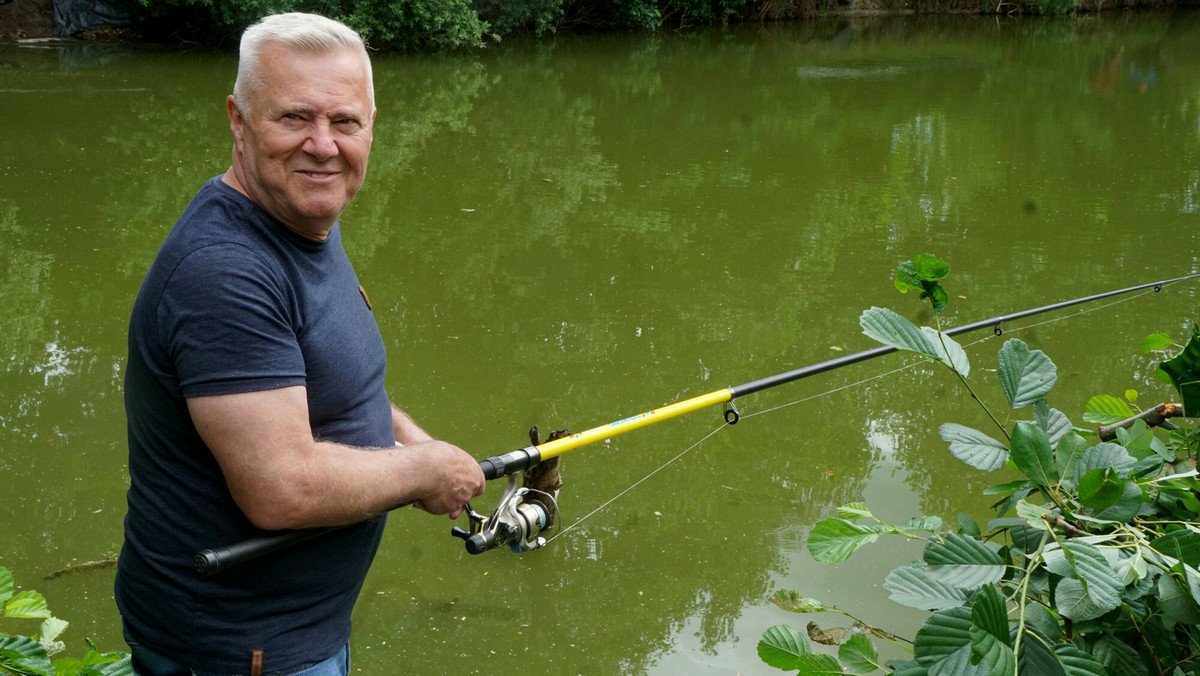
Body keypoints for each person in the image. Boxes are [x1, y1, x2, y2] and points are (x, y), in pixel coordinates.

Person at [115, 12, 486, 676]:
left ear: (371, 126)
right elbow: (280, 488)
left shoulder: (306, 216)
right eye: (294, 119)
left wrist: (415, 441)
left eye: (345, 122)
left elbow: (339, 382)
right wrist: (425, 472)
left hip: (296, 633)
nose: (322, 145)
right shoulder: (223, 274)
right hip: (239, 650)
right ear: (238, 119)